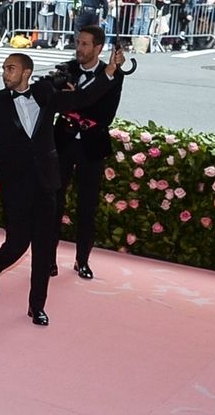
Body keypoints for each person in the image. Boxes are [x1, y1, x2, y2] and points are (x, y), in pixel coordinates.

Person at [0, 49, 124, 326]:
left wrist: (109, 71)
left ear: (26, 72)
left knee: (44, 248)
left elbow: (84, 97)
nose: (5, 73)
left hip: (46, 182)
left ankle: (37, 306)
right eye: (3, 68)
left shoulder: (45, 95)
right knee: (17, 244)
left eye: (10, 68)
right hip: (16, 184)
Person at [52, 25, 126, 280]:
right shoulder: (66, 70)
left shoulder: (115, 74)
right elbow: (59, 103)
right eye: (78, 42)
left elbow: (105, 116)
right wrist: (77, 102)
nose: (79, 48)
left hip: (92, 147)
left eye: (85, 44)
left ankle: (81, 260)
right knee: (54, 203)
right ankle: (48, 260)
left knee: (87, 207)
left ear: (98, 48)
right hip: (63, 142)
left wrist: (77, 102)